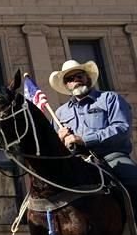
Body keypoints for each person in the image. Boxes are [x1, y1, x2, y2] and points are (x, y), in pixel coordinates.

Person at [49, 59, 137, 204]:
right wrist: (59, 139)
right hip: (76, 162)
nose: (76, 80)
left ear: (88, 78)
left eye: (79, 76)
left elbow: (122, 128)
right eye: (70, 79)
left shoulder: (109, 98)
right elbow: (54, 149)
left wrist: (83, 139)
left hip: (111, 158)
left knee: (134, 181)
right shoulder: (60, 113)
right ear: (66, 85)